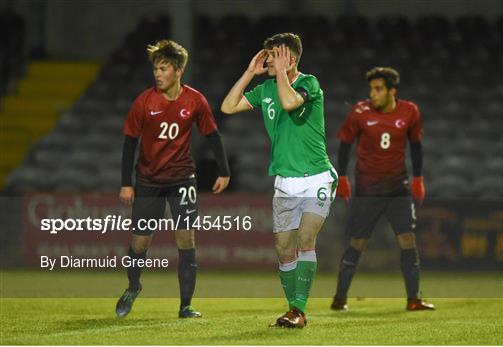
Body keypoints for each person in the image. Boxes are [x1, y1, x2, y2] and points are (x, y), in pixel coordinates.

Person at [221, 33, 336, 328]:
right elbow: (228, 107)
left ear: (291, 59)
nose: (267, 59)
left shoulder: (309, 84)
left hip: (316, 177)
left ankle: (298, 311)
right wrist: (249, 73)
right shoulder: (266, 88)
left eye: (273, 54)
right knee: (284, 248)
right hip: (285, 181)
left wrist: (283, 73)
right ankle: (292, 309)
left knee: (305, 238)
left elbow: (288, 104)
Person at [116, 39, 230, 319]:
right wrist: (126, 182)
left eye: (163, 68)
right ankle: (133, 286)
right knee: (140, 243)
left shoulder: (195, 100)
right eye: (155, 68)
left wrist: (224, 171)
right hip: (148, 180)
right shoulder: (144, 101)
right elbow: (130, 142)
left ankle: (185, 305)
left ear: (178, 70)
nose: (157, 73)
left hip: (182, 179)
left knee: (186, 240)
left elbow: (213, 136)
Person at [331, 67, 434, 311]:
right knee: (358, 243)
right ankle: (340, 298)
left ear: (392, 91)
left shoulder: (410, 111)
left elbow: (416, 145)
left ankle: (413, 299)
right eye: (371, 89)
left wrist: (418, 178)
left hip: (398, 189)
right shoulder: (359, 112)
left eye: (378, 89)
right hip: (368, 190)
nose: (372, 94)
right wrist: (342, 177)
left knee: (408, 240)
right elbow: (344, 144)